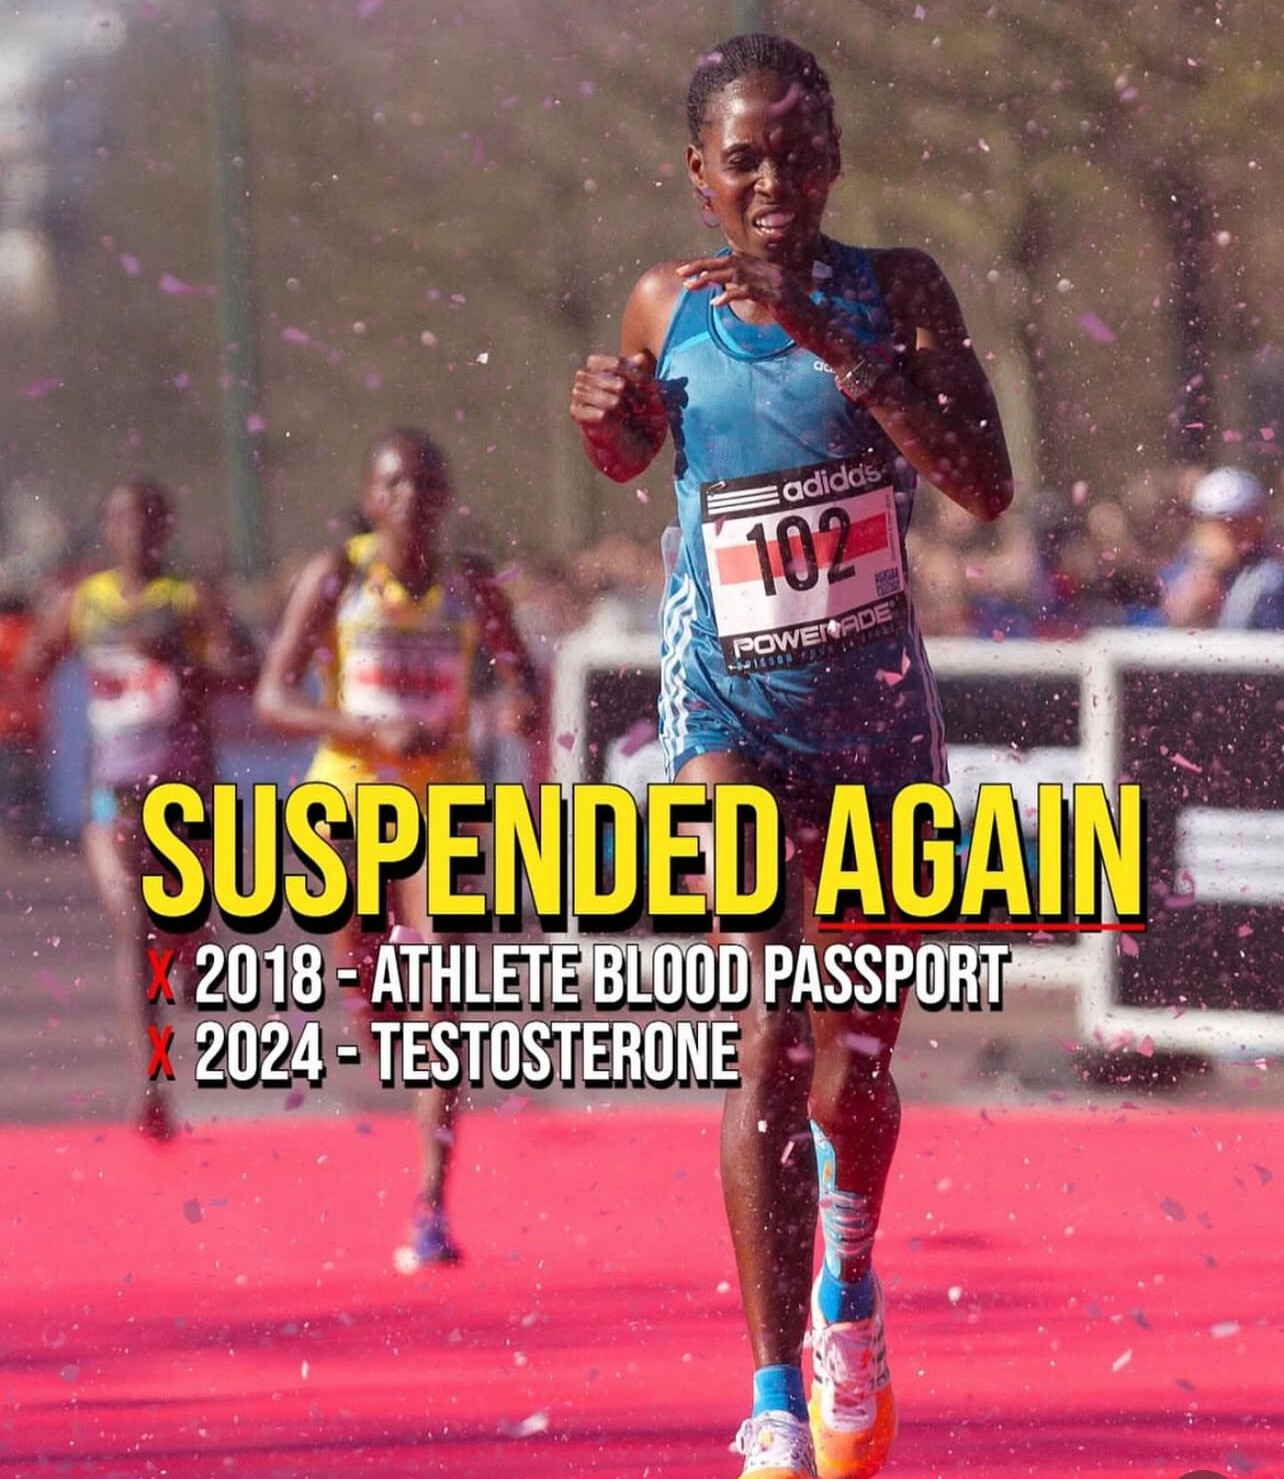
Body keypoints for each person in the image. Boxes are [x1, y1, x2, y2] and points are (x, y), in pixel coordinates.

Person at [570, 34, 1012, 1479]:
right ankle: (770, 1397)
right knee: (768, 1027)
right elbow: (639, 458)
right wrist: (610, 423)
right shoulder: (664, 301)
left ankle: (850, 1294)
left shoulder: (901, 289)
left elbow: (985, 485)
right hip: (728, 722)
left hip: (875, 724)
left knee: (854, 1068)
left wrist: (841, 348)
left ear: (835, 159)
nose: (774, 183)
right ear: (697, 174)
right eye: (743, 160)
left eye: (798, 153)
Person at [254, 427, 537, 1268]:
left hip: (442, 803)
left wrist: (516, 705)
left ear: (445, 499)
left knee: (441, 994)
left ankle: (430, 1203)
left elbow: (522, 673)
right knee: (370, 986)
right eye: (394, 484)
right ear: (371, 497)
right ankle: (374, 1012)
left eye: (426, 484)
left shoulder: (472, 584)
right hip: (346, 801)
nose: (411, 498)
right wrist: (368, 728)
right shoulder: (336, 576)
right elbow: (273, 695)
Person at [20, 478, 255, 1140]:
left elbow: (245, 671)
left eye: (150, 519)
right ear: (108, 527)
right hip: (113, 792)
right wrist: (47, 639)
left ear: (166, 527)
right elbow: (33, 664)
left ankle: (193, 945)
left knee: (178, 937)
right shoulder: (85, 601)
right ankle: (151, 1079)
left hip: (185, 795)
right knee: (134, 928)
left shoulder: (187, 600)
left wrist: (183, 660)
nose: (138, 532)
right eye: (124, 520)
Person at [1161, 466, 1284, 629]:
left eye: (1237, 524)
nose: (1221, 535)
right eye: (1212, 524)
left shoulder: (1269, 582)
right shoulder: (1181, 572)